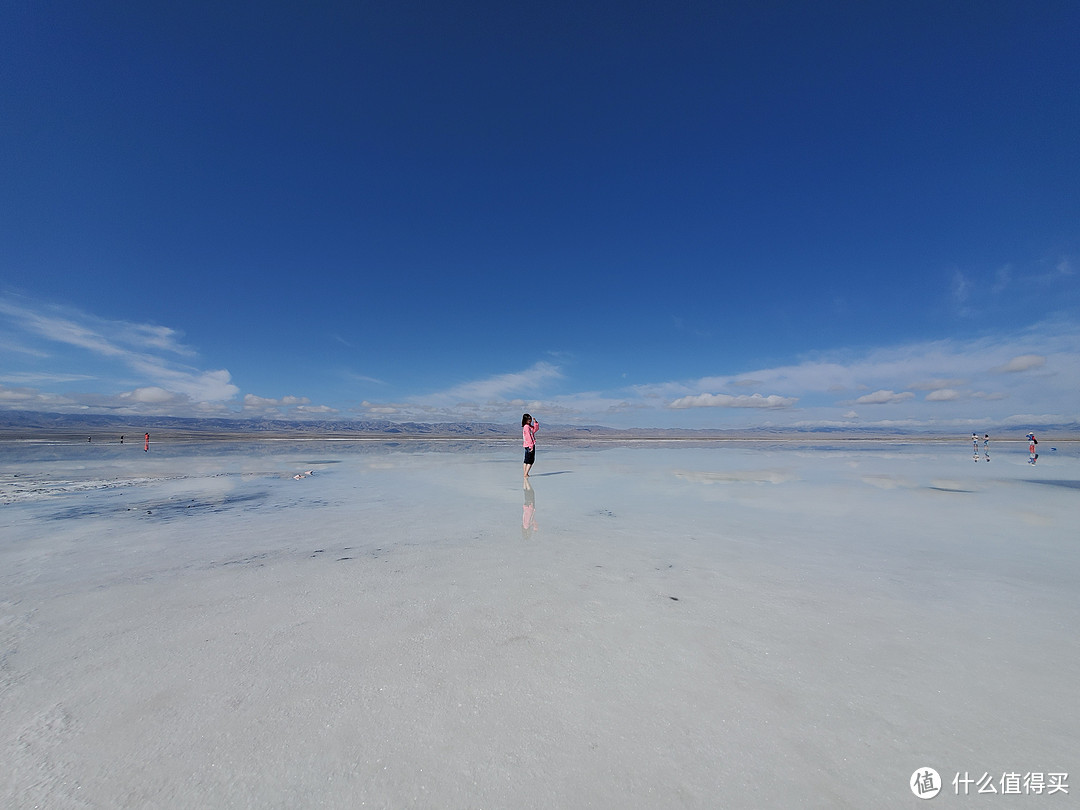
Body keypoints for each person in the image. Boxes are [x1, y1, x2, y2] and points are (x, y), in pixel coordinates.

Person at [522, 413, 539, 478]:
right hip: (529, 445)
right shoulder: (526, 427)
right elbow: (528, 437)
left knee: (526, 460)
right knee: (530, 460)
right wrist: (531, 446)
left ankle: (525, 473)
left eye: (530, 419)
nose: (530, 420)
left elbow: (535, 430)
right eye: (528, 419)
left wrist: (535, 422)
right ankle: (526, 474)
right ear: (525, 419)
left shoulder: (529, 427)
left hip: (527, 445)